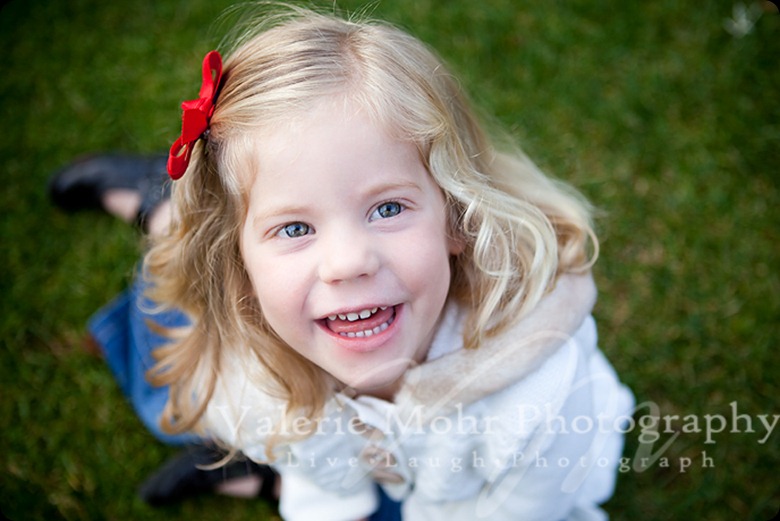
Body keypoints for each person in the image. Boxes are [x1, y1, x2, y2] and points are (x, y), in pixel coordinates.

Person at [50, 6, 634, 520]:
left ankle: (259, 478)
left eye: (387, 208)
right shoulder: (248, 363)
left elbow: (522, 512)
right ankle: (162, 206)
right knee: (178, 385)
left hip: (475, 503)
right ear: (240, 262)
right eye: (295, 227)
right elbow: (305, 446)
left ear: (458, 217)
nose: (349, 262)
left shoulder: (541, 397)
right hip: (356, 444)